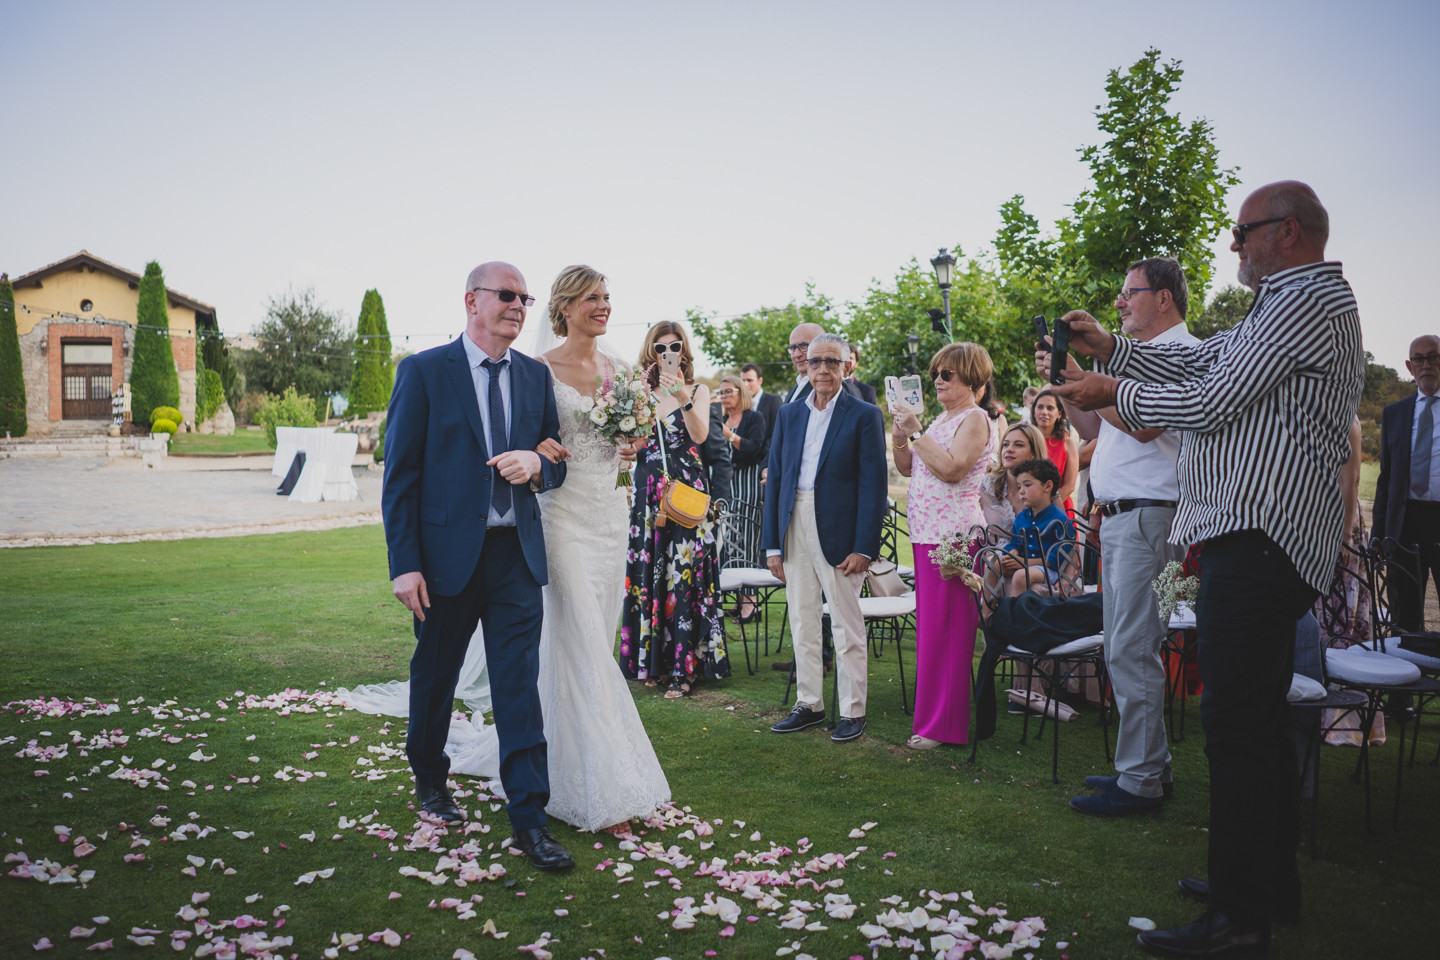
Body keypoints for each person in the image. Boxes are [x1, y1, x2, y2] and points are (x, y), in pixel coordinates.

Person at [1050, 181, 1362, 958]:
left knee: (1235, 725)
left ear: (1286, 232)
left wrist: (1112, 385)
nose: (1231, 246)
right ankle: (1261, 885)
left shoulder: (1306, 300)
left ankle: (1240, 916)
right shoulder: (1281, 304)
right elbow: (1217, 361)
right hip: (1248, 538)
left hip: (1261, 537)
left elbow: (1212, 394)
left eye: (1242, 231)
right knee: (1251, 720)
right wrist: (1111, 350)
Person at [381, 261, 575, 872]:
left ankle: (529, 820)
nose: (519, 305)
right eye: (507, 295)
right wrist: (405, 565)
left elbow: (556, 459)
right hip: (442, 562)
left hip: (517, 554)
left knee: (518, 686)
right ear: (472, 300)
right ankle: (431, 780)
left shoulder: (535, 377)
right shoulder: (423, 371)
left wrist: (539, 465)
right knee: (435, 676)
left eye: (525, 297)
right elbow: (400, 479)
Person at [1057, 257, 1198, 818]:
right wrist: (1069, 383)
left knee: (1132, 648)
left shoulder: (1184, 353)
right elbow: (1094, 427)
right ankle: (1149, 767)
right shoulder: (1138, 361)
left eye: (1129, 293)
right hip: (1120, 519)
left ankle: (1139, 781)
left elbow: (1144, 424)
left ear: (1163, 298)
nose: (1119, 302)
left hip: (1150, 518)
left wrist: (1097, 385)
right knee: (1126, 646)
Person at [764, 333, 886, 743]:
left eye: (831, 362)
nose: (822, 370)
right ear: (806, 366)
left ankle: (853, 711)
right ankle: (810, 704)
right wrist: (773, 544)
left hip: (839, 528)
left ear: (846, 366)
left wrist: (865, 546)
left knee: (846, 622)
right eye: (815, 362)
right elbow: (776, 480)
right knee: (801, 617)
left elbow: (874, 487)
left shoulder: (864, 414)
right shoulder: (789, 414)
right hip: (792, 519)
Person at [891, 342, 996, 749]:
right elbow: (906, 467)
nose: (937, 380)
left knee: (950, 633)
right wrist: (901, 433)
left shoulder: (975, 419)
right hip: (926, 533)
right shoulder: (939, 420)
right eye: (936, 372)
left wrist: (916, 430)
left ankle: (945, 726)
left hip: (954, 536)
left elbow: (952, 470)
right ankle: (933, 720)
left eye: (946, 374)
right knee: (932, 631)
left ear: (971, 378)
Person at [619, 322, 729, 697]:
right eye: (661, 346)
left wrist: (681, 394)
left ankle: (685, 667)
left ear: (684, 351)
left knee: (684, 573)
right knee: (653, 569)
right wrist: (625, 446)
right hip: (649, 491)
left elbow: (699, 436)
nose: (668, 351)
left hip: (686, 489)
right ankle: (654, 663)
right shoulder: (640, 392)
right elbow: (636, 443)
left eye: (675, 345)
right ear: (651, 351)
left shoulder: (698, 390)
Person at [1372, 334, 1440, 631]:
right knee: (1405, 614)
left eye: (1433, 357)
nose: (1426, 364)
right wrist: (1379, 531)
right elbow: (1385, 480)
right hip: (1405, 523)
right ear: (1410, 367)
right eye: (1419, 359)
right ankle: (1413, 673)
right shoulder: (1395, 414)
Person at [717, 374, 768, 620]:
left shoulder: (754, 418)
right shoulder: (722, 419)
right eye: (721, 392)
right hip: (726, 486)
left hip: (748, 483)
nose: (724, 397)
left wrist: (728, 434)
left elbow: (753, 448)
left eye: (729, 391)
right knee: (727, 543)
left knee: (746, 542)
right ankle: (738, 597)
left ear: (741, 392)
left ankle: (751, 602)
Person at [998, 458, 1074, 597]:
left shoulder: (1059, 519)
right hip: (1026, 565)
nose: (1021, 491)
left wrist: (1023, 563)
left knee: (1021, 576)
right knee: (994, 564)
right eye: (1019, 486)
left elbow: (1055, 560)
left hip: (1050, 571)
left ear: (1047, 486)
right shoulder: (1022, 517)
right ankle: (986, 612)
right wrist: (1013, 552)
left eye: (1027, 485)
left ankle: (1013, 613)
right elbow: (1015, 542)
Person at [979, 421, 1049, 534]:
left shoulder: (1046, 487)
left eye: (1018, 445)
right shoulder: (987, 485)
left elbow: (1063, 538)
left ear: (1034, 453)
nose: (1009, 449)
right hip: (993, 550)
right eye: (1005, 444)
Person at [1030, 388, 1078, 516]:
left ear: (1059, 414)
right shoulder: (1026, 440)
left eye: (1050, 408)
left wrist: (1045, 508)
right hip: (1027, 509)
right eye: (1040, 407)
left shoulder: (1067, 442)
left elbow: (1069, 486)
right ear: (1034, 411)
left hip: (1059, 509)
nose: (1044, 412)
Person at [741, 362, 782, 451]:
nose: (745, 385)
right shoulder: (740, 404)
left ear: (760, 381)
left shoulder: (774, 401)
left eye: (749, 380)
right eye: (743, 381)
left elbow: (777, 434)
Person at [844, 340, 879, 405]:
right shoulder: (828, 388)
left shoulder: (867, 391)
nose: (847, 361)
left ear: (856, 364)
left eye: (850, 358)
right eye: (844, 358)